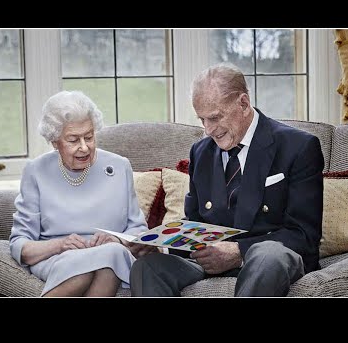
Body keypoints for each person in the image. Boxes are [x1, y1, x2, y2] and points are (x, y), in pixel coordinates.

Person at [129, 63, 324, 297]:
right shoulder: (200, 152)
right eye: (202, 120)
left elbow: (304, 235)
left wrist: (238, 251)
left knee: (268, 255)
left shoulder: (298, 147)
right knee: (148, 267)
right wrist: (160, 246)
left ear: (243, 103)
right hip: (209, 264)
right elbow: (195, 224)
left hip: (269, 261)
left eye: (215, 118)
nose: (209, 130)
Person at [9, 90, 153, 297]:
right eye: (73, 140)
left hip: (113, 255)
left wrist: (118, 241)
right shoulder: (36, 171)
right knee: (86, 270)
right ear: (54, 142)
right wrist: (60, 245)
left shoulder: (119, 166)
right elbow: (21, 244)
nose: (84, 147)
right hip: (58, 257)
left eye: (89, 137)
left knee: (109, 258)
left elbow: (138, 229)